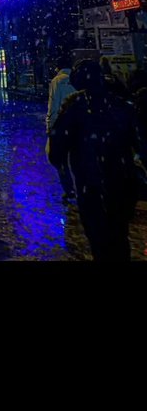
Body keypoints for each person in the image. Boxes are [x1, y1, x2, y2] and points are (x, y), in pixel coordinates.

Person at [50, 58, 138, 261]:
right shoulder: (121, 106)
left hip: (91, 186)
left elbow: (56, 152)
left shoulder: (74, 110)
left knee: (99, 242)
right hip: (121, 184)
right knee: (119, 238)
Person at [46, 54, 76, 202]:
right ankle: (80, 186)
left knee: (60, 159)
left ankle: (69, 188)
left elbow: (53, 106)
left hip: (62, 124)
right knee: (77, 156)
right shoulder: (77, 79)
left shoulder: (56, 82)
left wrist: (50, 126)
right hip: (78, 124)